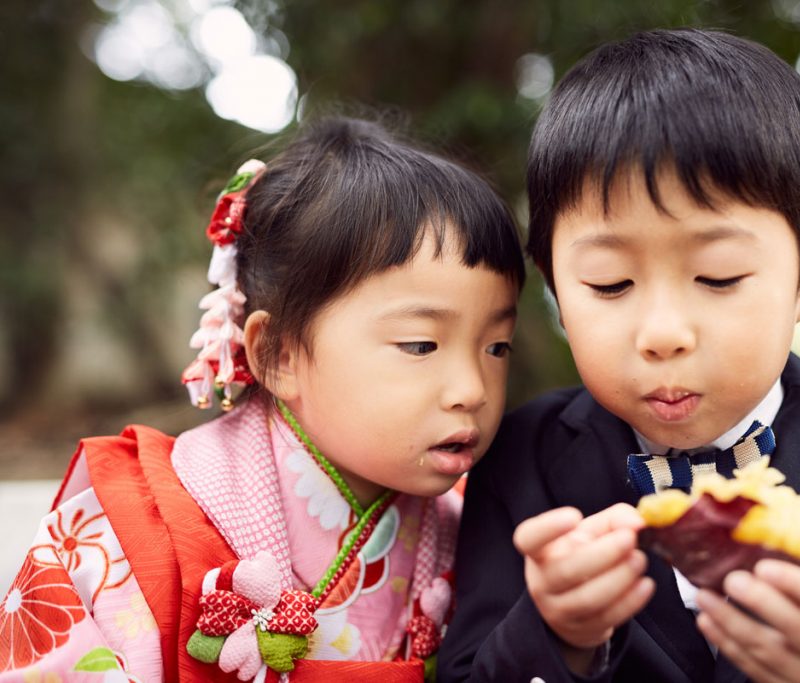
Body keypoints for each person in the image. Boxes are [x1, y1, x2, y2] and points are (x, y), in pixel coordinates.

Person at [438, 28, 800, 683]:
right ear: (557, 291)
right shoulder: (518, 459)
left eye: (717, 276)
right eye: (609, 284)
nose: (662, 333)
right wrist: (557, 634)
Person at [0, 116, 524, 681]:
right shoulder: (129, 529)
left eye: (497, 347)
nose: (472, 389)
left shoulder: (483, 524)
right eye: (421, 344)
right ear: (277, 354)